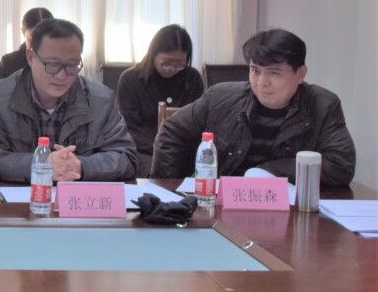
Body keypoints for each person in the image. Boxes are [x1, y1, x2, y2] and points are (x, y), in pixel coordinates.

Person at [152, 29, 355, 184]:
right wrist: (172, 190)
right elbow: (171, 132)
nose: (261, 83)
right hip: (222, 204)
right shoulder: (219, 97)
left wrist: (268, 171)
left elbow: (340, 165)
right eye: (255, 71)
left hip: (289, 208)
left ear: (300, 74)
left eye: (274, 73)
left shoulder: (323, 105)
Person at [0, 18, 136, 182]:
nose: (61, 75)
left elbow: (126, 157)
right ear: (30, 57)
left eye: (72, 65)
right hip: (18, 195)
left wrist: (80, 166)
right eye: (52, 65)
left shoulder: (101, 100)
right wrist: (40, 163)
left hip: (78, 195)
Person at [116, 24, 205, 176]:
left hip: (183, 149)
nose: (172, 68)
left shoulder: (193, 79)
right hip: (143, 151)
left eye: (180, 64)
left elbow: (199, 121)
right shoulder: (130, 79)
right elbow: (130, 127)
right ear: (153, 54)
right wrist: (163, 146)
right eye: (166, 62)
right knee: (158, 172)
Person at [0, 7, 53, 80]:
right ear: (23, 32)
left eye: (46, 35)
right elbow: (1, 87)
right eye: (34, 35)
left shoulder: (62, 60)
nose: (41, 41)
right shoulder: (8, 63)